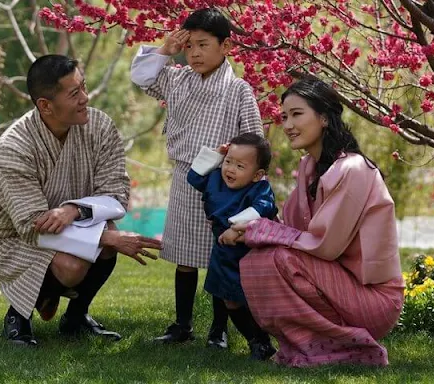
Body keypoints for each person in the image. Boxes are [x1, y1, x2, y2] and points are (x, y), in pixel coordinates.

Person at [0, 54, 162, 346]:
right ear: (45, 105)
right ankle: (19, 315)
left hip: (76, 223)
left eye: (84, 88)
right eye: (74, 93)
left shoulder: (99, 126)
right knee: (76, 263)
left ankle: (76, 317)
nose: (85, 98)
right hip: (16, 238)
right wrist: (107, 239)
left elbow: (116, 193)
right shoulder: (13, 148)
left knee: (106, 237)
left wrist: (73, 210)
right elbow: (29, 224)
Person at [231, 78, 405, 367]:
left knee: (277, 257)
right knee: (257, 259)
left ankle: (349, 349)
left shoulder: (353, 169)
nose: (287, 125)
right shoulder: (308, 168)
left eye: (297, 114)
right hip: (340, 285)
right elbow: (294, 232)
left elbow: (324, 246)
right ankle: (311, 345)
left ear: (324, 117)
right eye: (284, 116)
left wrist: (262, 229)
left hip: (375, 300)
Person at [130, 8, 263, 347]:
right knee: (186, 258)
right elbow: (142, 78)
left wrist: (235, 162)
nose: (195, 54)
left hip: (225, 182)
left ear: (226, 47)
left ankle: (218, 329)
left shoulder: (239, 90)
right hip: (185, 175)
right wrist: (164, 50)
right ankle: (182, 325)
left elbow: (254, 139)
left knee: (220, 255)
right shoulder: (177, 78)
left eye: (203, 45)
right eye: (189, 46)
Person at [186, 133, 277, 359]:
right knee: (229, 298)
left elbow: (263, 208)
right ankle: (255, 341)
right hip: (223, 248)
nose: (230, 169)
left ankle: (263, 338)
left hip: (249, 247)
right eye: (228, 161)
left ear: (257, 174)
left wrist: (236, 228)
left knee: (251, 299)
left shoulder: (259, 189)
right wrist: (216, 156)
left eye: (239, 165)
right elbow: (193, 176)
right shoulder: (216, 178)